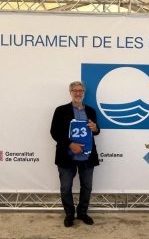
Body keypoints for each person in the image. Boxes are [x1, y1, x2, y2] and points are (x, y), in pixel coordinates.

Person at [50, 81, 100, 227]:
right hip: (67, 155)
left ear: (84, 93)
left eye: (81, 90)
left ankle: (82, 213)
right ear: (70, 92)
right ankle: (69, 214)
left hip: (87, 156)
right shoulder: (60, 110)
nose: (78, 93)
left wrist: (96, 128)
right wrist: (71, 145)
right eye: (75, 90)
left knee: (87, 186)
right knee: (66, 187)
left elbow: (96, 131)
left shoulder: (91, 111)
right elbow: (55, 132)